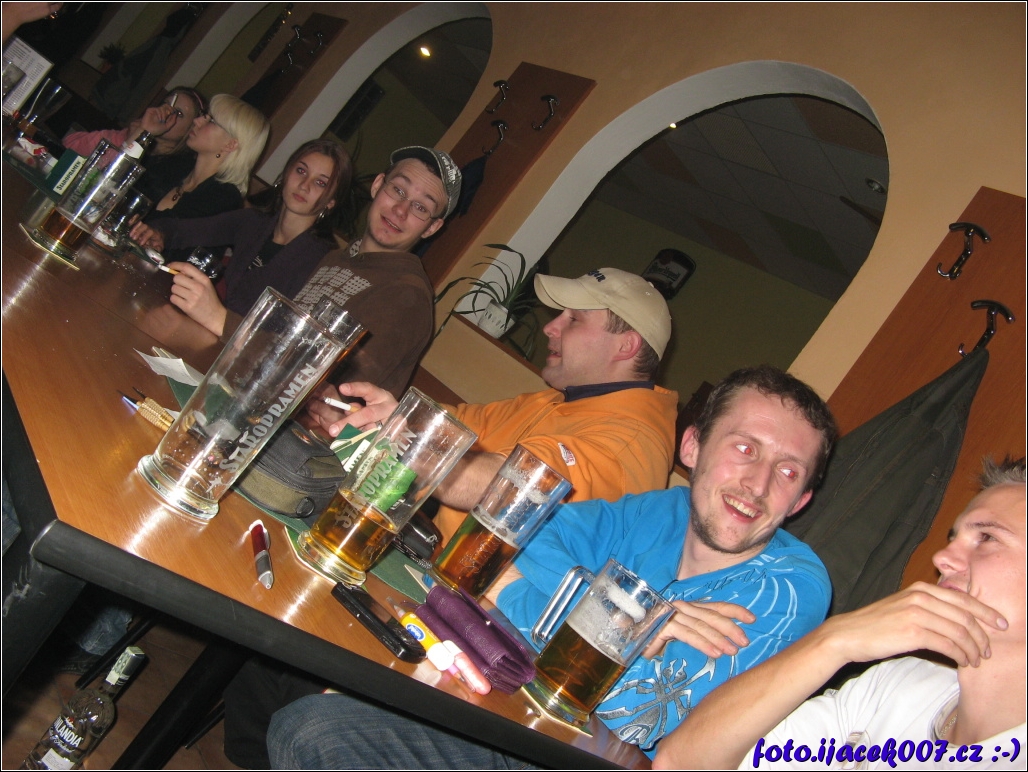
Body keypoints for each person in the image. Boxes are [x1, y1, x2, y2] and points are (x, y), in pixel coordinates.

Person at [265, 365, 839, 768]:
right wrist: (624, 618)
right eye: (745, 448)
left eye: (789, 471)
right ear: (692, 449)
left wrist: (519, 591)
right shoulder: (665, 510)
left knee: (317, 734)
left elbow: (629, 710)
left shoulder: (791, 589)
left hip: (573, 756)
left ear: (802, 501)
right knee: (305, 667)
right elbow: (524, 529)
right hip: (513, 708)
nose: (758, 484)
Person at [655, 456, 1026, 771]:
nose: (942, 558)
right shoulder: (898, 685)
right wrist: (834, 640)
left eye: (987, 538)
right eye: (954, 538)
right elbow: (680, 762)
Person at [313, 267, 681, 542]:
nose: (550, 327)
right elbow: (447, 425)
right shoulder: (553, 401)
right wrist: (357, 412)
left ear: (626, 346)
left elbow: (516, 486)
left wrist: (405, 441)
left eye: (573, 319)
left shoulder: (632, 444)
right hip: (426, 563)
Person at [126, 138, 351, 336]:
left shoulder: (321, 261)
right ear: (285, 174)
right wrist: (158, 233)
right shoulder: (254, 222)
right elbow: (183, 230)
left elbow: (281, 338)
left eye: (320, 183)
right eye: (301, 171)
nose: (304, 185)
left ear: (331, 202)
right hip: (204, 334)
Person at [132, 93, 270, 262]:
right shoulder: (179, 164)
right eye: (204, 115)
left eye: (211, 121)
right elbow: (121, 187)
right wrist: (144, 131)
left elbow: (166, 231)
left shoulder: (224, 196)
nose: (197, 121)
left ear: (230, 144)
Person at [62, 86, 205, 206]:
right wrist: (134, 137)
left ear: (190, 129)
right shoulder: (130, 134)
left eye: (179, 113)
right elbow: (69, 148)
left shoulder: (177, 170)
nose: (168, 112)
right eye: (167, 104)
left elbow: (111, 193)